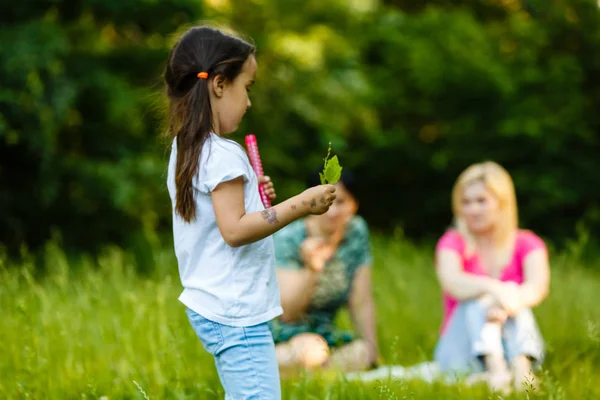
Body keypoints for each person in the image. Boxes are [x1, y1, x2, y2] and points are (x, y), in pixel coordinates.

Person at [163, 26, 337, 399]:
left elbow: (219, 217)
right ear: (220, 84)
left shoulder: (187, 148)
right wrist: (302, 204)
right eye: (248, 87)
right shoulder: (223, 153)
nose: (249, 102)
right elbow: (235, 230)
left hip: (214, 302)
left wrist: (256, 199)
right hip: (236, 310)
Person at [433, 161, 550, 393]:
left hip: (511, 340)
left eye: (481, 201)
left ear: (502, 203)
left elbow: (537, 288)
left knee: (517, 298)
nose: (472, 209)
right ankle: (495, 366)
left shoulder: (528, 243)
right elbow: (453, 282)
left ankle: (520, 365)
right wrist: (494, 289)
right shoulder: (452, 242)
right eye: (466, 202)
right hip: (460, 347)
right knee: (479, 296)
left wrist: (506, 302)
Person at [268, 170, 379, 376]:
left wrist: (373, 353)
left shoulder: (356, 232)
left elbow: (361, 300)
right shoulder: (289, 237)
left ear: (354, 204)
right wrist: (312, 269)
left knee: (362, 351)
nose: (332, 211)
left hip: (326, 332)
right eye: (325, 202)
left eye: (341, 202)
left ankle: (315, 377)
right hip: (286, 332)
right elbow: (288, 313)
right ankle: (319, 376)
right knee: (311, 351)